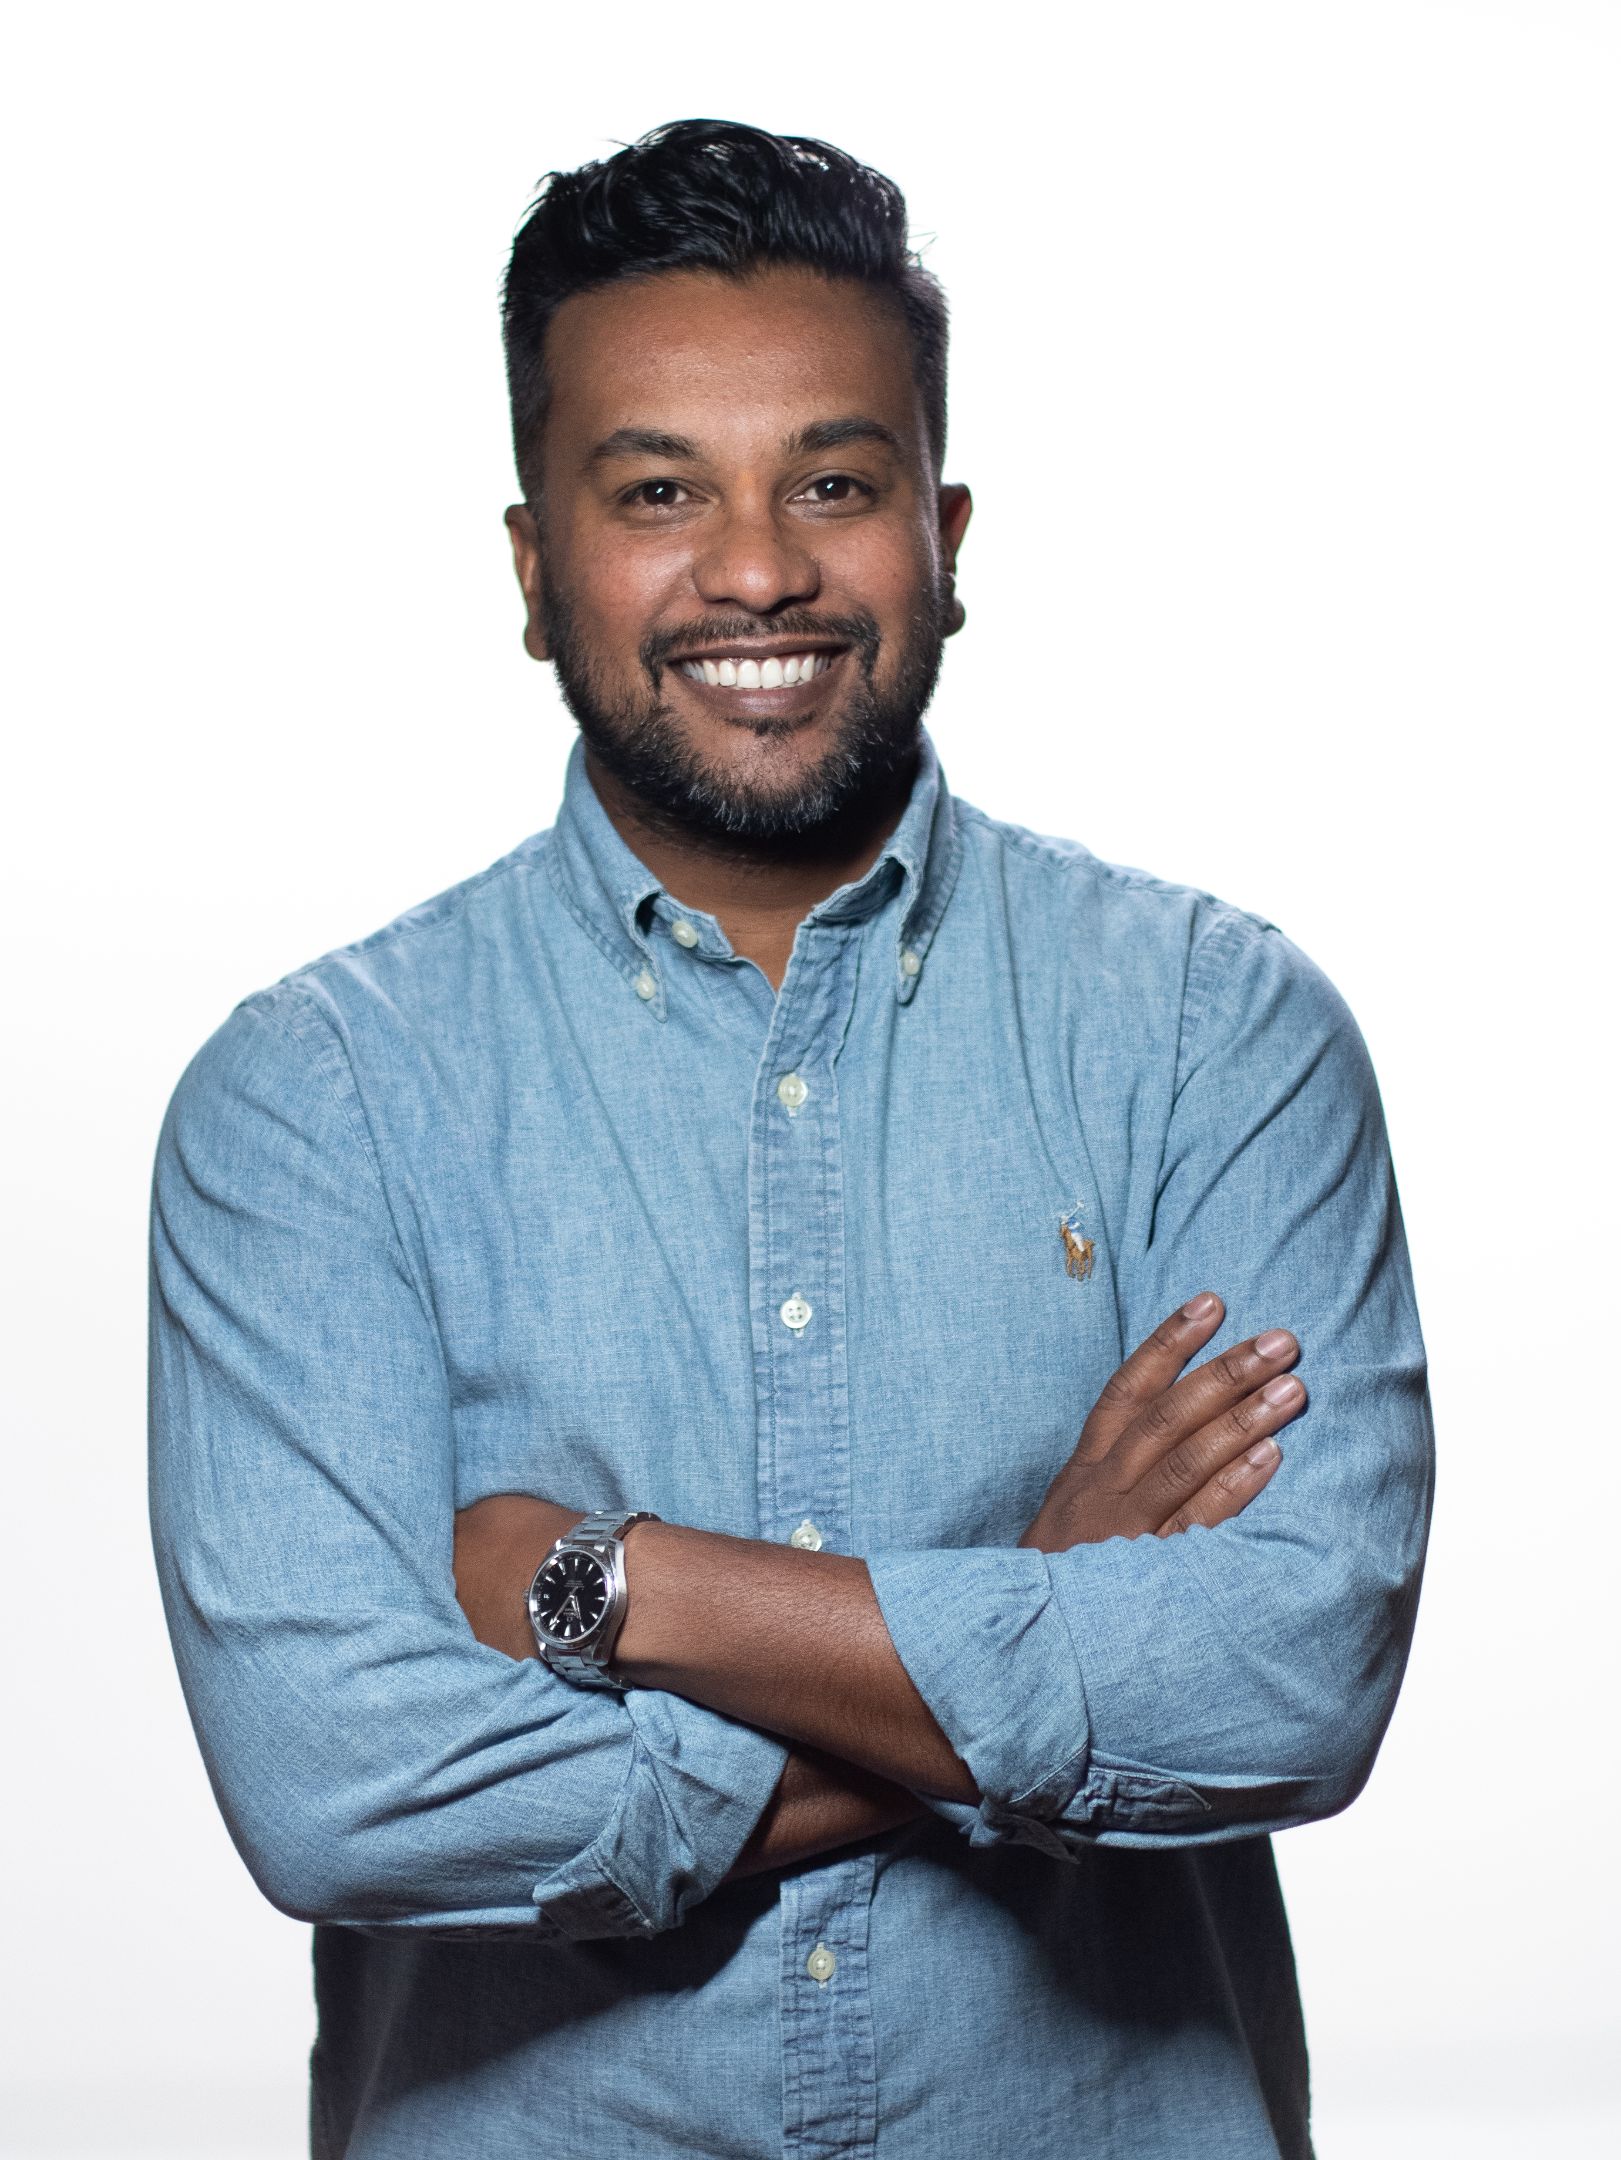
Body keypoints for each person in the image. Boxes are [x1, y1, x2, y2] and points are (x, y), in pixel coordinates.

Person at [148, 118, 1434, 2160]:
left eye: (831, 484)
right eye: (658, 491)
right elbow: (336, 1784)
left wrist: (618, 1588)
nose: (754, 568)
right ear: (531, 567)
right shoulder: (315, 1103)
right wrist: (1032, 1602)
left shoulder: (1215, 1028)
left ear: (946, 531)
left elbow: (1286, 1679)